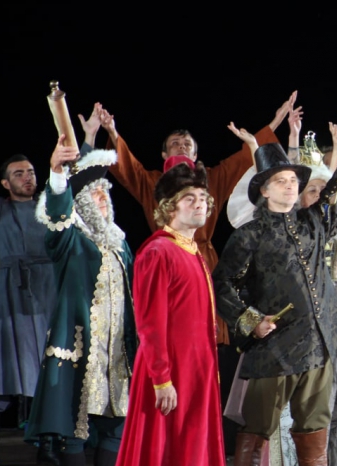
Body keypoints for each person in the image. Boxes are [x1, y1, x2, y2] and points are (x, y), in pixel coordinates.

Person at [213, 91, 337, 466]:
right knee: (256, 428)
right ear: (264, 189)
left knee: (314, 425)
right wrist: (251, 321)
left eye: (293, 180)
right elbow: (223, 284)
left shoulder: (315, 222)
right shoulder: (248, 235)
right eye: (281, 181)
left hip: (319, 344)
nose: (290, 185)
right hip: (274, 349)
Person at [95, 97, 287, 343]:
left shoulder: (211, 181)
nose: (182, 147)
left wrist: (275, 122)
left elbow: (243, 159)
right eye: (175, 144)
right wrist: (112, 132)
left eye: (187, 144)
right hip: (168, 267)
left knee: (213, 327)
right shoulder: (152, 189)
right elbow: (127, 167)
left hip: (204, 266)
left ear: (196, 154)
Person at [104, 155, 228, 466]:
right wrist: (161, 378)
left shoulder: (192, 250)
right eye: (190, 198)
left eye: (203, 198)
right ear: (169, 207)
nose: (200, 204)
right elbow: (151, 323)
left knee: (187, 445)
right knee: (165, 443)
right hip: (170, 369)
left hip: (197, 370)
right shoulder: (158, 252)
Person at [25, 136, 137, 466]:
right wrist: (57, 173)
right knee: (73, 432)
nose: (104, 199)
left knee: (113, 432)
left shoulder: (121, 244)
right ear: (82, 201)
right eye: (95, 193)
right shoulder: (69, 238)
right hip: (79, 350)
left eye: (106, 193)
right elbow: (56, 214)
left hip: (116, 354)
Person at [0, 153, 57, 465]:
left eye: (30, 171)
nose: (27, 177)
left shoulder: (49, 207)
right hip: (10, 295)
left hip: (48, 293)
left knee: (50, 366)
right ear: (5, 183)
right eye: (18, 173)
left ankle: (48, 442)